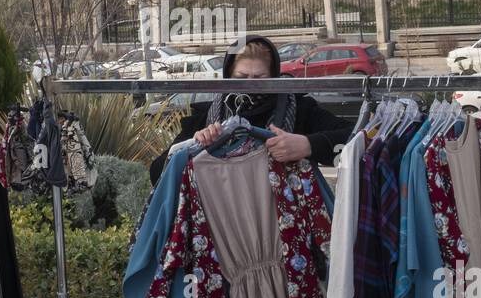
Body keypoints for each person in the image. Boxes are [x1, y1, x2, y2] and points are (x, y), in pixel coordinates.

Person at [148, 35, 349, 185]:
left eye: (259, 78)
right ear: (228, 75)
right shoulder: (207, 117)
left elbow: (355, 138)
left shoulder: (300, 110)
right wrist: (193, 147)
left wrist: (307, 145)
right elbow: (157, 172)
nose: (250, 85)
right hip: (220, 229)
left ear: (273, 76)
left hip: (283, 229)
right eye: (242, 77)